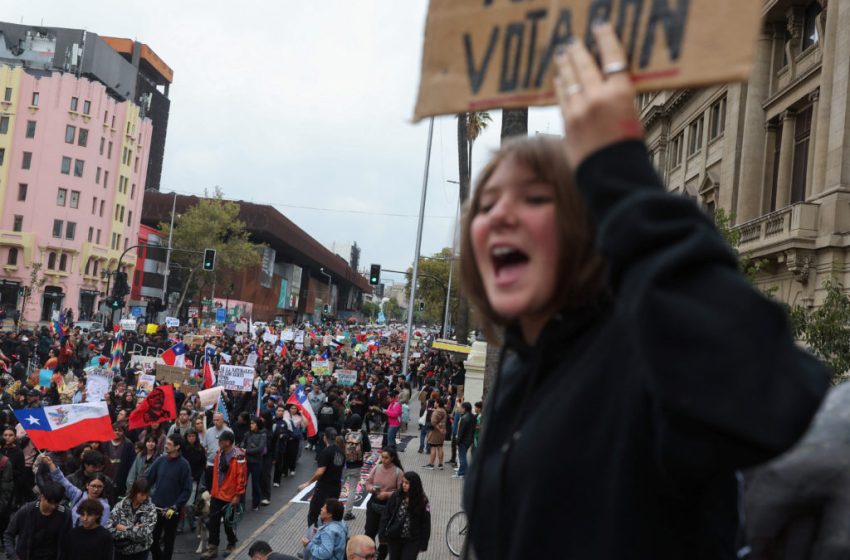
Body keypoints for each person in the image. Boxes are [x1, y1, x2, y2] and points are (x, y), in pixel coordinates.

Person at [459, 23, 830, 560]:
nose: (500, 216)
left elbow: (775, 398)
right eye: (486, 204)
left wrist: (619, 172)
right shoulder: (522, 367)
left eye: (535, 198)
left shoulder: (645, 355)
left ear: (592, 225)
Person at [144, 433, 193, 560]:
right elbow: (148, 479)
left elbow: (187, 490)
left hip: (171, 510)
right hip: (156, 508)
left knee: (168, 542)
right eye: (166, 443)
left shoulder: (184, 465)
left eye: (169, 444)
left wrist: (175, 506)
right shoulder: (160, 460)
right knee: (152, 541)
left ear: (177, 447)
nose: (166, 446)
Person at [201, 430, 247, 559]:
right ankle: (212, 548)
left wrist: (238, 495)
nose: (218, 442)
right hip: (217, 494)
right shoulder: (218, 453)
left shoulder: (239, 456)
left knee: (229, 523)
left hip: (230, 496)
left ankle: (231, 544)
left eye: (220, 440)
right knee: (213, 523)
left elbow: (241, 477)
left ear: (227, 442)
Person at [3, 481, 71, 560]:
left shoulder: (64, 514)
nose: (53, 506)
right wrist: (13, 556)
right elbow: (8, 535)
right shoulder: (27, 510)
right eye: (50, 502)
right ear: (42, 497)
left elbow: (68, 540)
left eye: (56, 503)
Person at [41, 454, 111, 527]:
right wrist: (50, 464)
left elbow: (103, 527)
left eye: (99, 486)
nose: (96, 489)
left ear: (103, 488)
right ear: (87, 485)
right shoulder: (78, 495)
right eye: (93, 486)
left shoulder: (105, 507)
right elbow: (61, 480)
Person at [297, 428, 345, 529]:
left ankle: (312, 537)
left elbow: (320, 472)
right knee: (331, 514)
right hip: (336, 488)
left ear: (325, 438)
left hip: (324, 489)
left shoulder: (326, 452)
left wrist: (307, 483)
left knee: (313, 514)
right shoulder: (341, 452)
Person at [379, 472, 430, 560]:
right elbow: (386, 515)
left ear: (414, 484)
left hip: (412, 539)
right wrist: (382, 534)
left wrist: (423, 544)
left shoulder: (423, 501)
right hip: (395, 537)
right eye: (403, 482)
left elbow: (426, 524)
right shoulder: (396, 496)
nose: (404, 485)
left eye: (407, 483)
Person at [363, 449, 403, 553]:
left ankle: (380, 556)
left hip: (389, 507)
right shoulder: (377, 467)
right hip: (374, 504)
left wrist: (387, 494)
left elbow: (401, 492)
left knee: (384, 535)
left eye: (386, 458)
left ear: (392, 458)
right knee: (369, 532)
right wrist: (372, 489)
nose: (383, 460)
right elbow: (368, 482)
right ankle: (371, 554)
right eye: (382, 457)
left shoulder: (398, 472)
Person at [108, 478, 157, 560]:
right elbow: (110, 527)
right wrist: (135, 528)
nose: (144, 497)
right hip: (121, 550)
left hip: (140, 551)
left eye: (146, 494)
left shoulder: (150, 508)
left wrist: (122, 528)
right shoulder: (121, 505)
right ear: (134, 492)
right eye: (141, 494)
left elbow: (144, 534)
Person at [342, 414, 371, 521]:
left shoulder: (345, 432)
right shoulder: (362, 433)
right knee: (352, 489)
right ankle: (348, 513)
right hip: (357, 465)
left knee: (339, 487)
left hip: (344, 465)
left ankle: (332, 510)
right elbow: (368, 448)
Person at [243, 416, 269, 511]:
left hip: (256, 462)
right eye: (250, 423)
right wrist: (244, 448)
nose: (251, 425)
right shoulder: (248, 434)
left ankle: (256, 503)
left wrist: (247, 450)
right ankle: (241, 504)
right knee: (243, 483)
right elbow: (243, 444)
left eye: (253, 423)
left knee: (256, 484)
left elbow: (260, 449)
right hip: (246, 462)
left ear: (258, 425)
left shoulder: (263, 435)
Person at [203, 413, 232, 491]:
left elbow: (232, 449)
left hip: (223, 465)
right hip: (210, 464)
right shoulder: (209, 431)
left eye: (218, 420)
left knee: (221, 487)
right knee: (209, 487)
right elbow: (204, 447)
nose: (215, 422)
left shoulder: (229, 431)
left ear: (222, 420)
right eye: (214, 420)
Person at [422, 399, 446, 470]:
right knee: (440, 447)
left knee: (433, 447)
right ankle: (440, 464)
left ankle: (431, 464)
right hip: (443, 431)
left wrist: (439, 429)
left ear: (438, 404)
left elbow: (433, 422)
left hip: (436, 432)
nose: (434, 403)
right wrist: (442, 429)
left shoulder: (436, 412)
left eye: (435, 402)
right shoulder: (444, 411)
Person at [453, 403, 474, 479]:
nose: (460, 409)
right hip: (468, 440)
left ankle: (461, 473)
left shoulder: (464, 418)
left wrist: (457, 442)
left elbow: (461, 432)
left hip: (463, 441)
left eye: (461, 408)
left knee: (462, 457)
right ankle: (465, 472)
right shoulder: (472, 416)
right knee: (463, 457)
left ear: (464, 408)